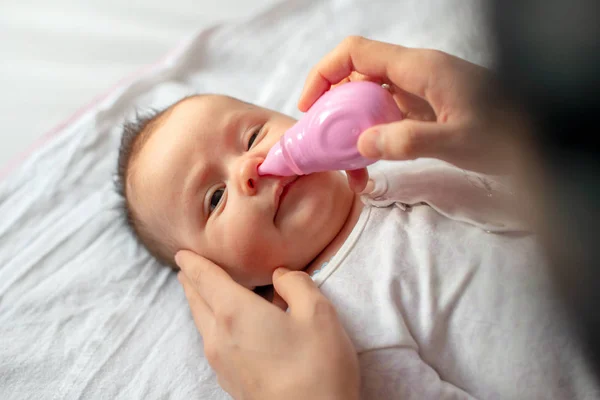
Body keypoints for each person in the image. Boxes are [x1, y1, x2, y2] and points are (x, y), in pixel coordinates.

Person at [116, 37, 598, 398]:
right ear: (225, 282)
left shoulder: (409, 148)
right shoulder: (336, 328)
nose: (249, 167)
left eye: (250, 136)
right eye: (215, 198)